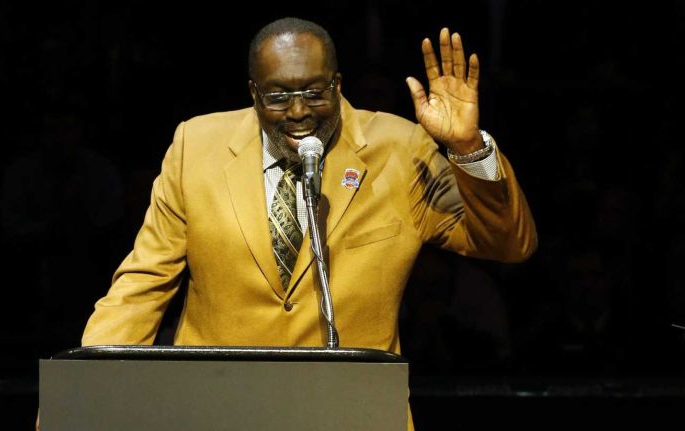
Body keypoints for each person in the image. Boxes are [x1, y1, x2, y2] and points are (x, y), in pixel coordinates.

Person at [38, 17, 537, 431]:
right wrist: (80, 394)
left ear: (338, 85)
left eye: (314, 93)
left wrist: (468, 150)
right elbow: (143, 285)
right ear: (254, 93)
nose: (298, 113)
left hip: (350, 416)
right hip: (214, 415)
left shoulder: (398, 150)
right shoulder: (197, 146)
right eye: (277, 97)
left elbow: (508, 243)